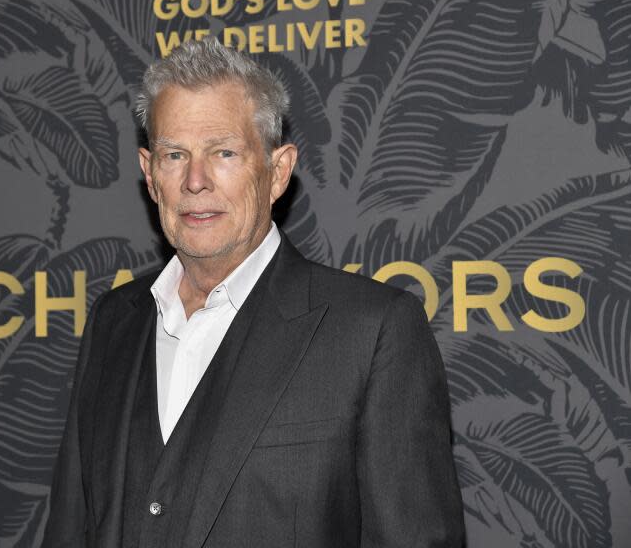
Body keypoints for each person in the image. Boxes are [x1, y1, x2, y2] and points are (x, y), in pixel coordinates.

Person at [42, 37, 464, 547]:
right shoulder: (113, 323)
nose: (195, 181)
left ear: (278, 171)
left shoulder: (373, 332)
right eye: (175, 154)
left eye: (223, 152)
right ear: (150, 175)